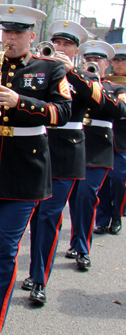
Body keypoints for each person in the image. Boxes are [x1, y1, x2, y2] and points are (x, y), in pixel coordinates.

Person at [0, 4, 71, 335]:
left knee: (5, 250)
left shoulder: (49, 69)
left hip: (26, 169)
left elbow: (62, 111)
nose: (10, 39)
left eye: (17, 33)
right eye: (6, 32)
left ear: (31, 36)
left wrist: (20, 100)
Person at [23, 21, 108, 303]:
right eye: (56, 43)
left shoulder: (85, 76)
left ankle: (39, 279)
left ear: (76, 50)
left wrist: (71, 73)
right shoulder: (38, 70)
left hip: (68, 152)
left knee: (49, 215)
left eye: (67, 45)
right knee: (33, 216)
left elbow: (99, 102)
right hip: (37, 148)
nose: (60, 48)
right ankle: (34, 269)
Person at [64, 40, 126, 271]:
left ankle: (83, 248)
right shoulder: (72, 83)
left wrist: (91, 84)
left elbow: (120, 110)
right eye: (89, 60)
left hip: (98, 148)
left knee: (87, 196)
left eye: (98, 60)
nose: (93, 63)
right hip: (75, 145)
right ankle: (74, 241)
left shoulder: (114, 88)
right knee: (73, 199)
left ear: (106, 64)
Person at [95, 42, 126, 235]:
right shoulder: (103, 81)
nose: (119, 64)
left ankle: (117, 215)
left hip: (122, 138)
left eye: (123, 60)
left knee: (119, 179)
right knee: (103, 181)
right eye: (117, 60)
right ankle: (103, 219)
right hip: (102, 138)